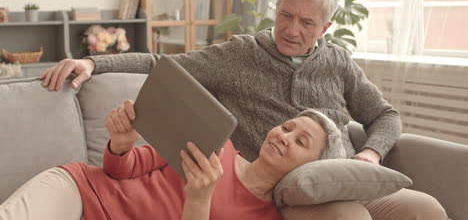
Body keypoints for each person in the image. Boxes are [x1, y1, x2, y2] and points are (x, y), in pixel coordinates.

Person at [39, 0, 447, 219]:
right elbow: (166, 64)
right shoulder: (240, 54)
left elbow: (385, 115)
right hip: (285, 188)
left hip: (340, 172)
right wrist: (95, 63)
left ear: (325, 26)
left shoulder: (338, 61)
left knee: (424, 209)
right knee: (348, 217)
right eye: (285, 15)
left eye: (306, 23)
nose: (291, 30)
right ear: (276, 9)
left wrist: (370, 154)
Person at [0, 101, 346, 220]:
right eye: (286, 127)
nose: (283, 136)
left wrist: (199, 199)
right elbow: (123, 169)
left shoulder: (265, 217)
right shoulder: (217, 144)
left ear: (311, 167)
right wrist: (122, 145)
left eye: (300, 141)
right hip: (80, 191)